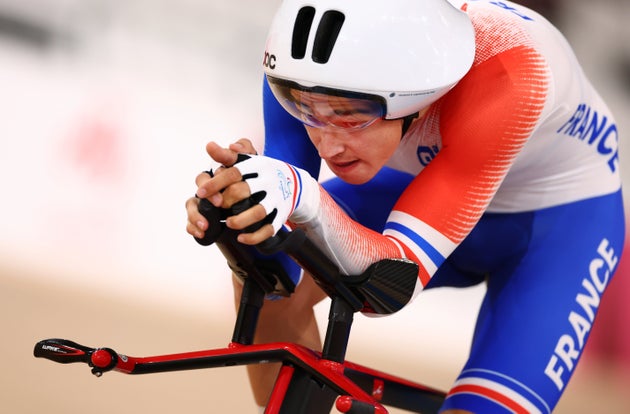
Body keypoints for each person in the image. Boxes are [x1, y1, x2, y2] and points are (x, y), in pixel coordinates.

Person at [185, 0, 625, 412]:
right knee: (263, 271)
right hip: (436, 182)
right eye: (305, 108)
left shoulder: (508, 77)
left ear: (419, 95)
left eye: (351, 114)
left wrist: (300, 194)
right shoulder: (303, 67)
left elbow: (389, 286)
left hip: (559, 229)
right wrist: (238, 211)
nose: (328, 141)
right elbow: (280, 258)